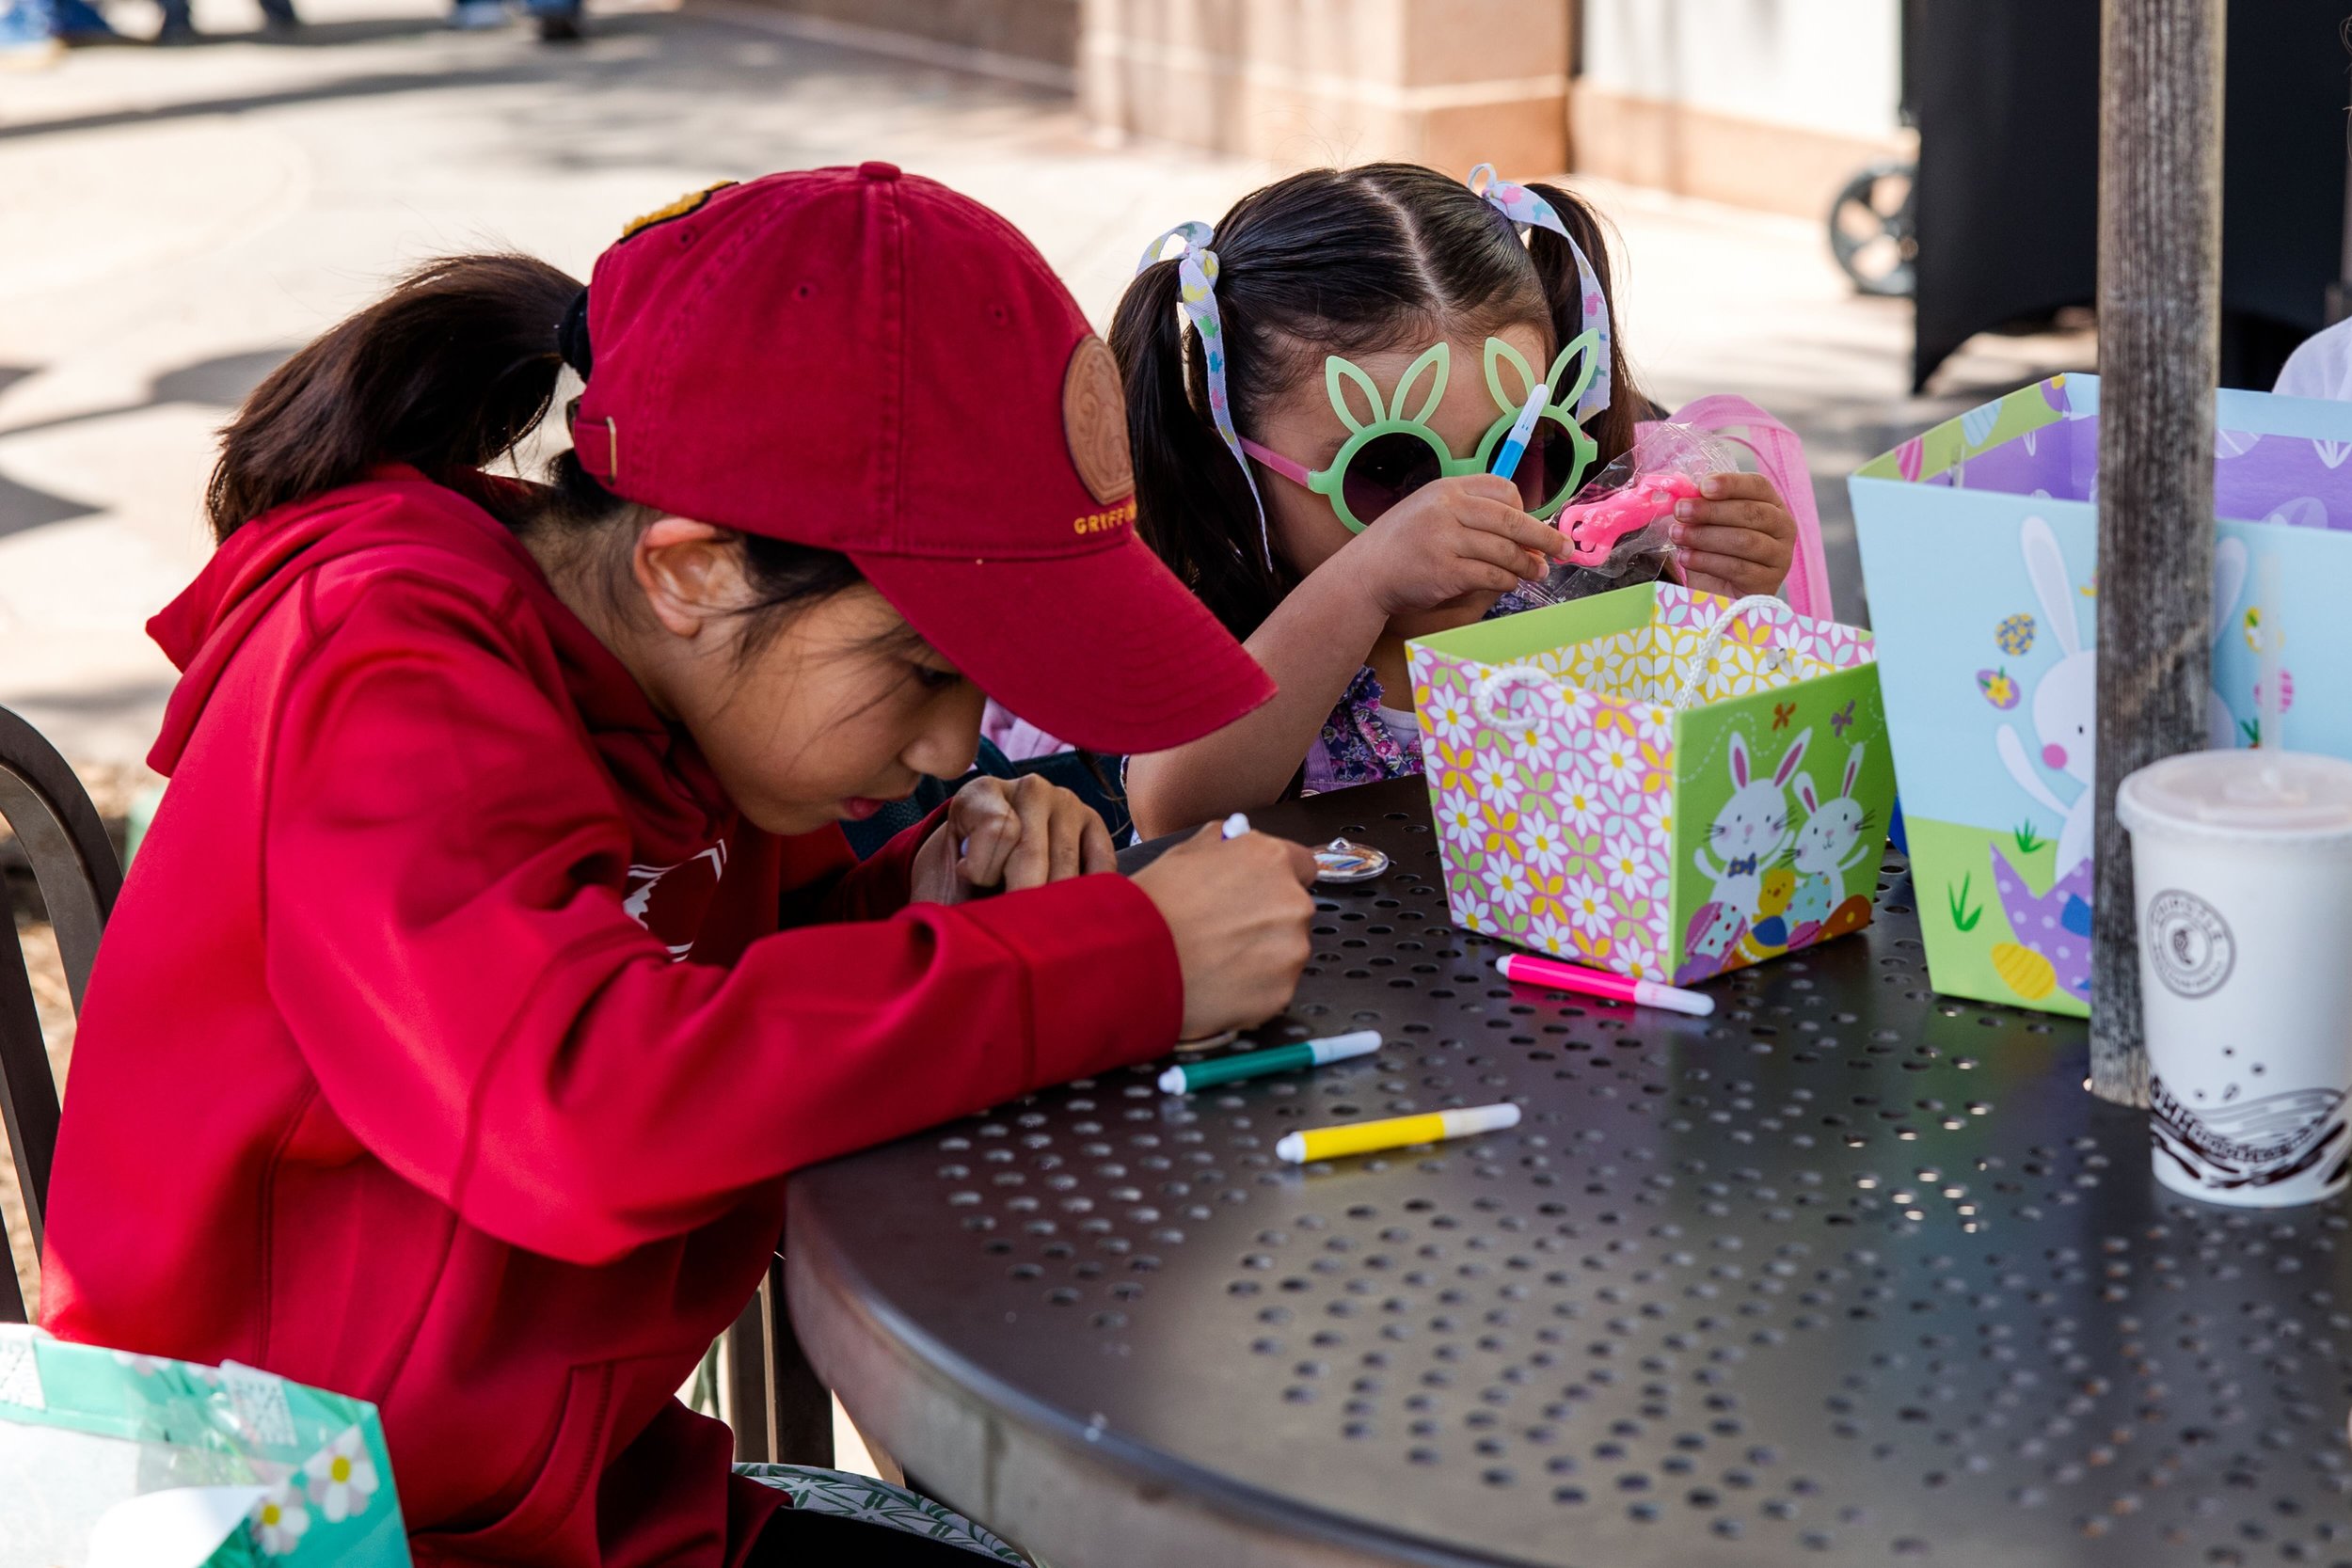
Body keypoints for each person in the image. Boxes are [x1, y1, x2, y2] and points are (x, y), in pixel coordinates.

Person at [40, 166, 1317, 1568]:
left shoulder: (687, 693)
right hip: (299, 1527)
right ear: (693, 569)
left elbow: (732, 958)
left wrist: (933, 896)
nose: (953, 745)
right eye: (920, 669)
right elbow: (576, 1105)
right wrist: (1118, 965)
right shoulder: (380, 664)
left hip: (597, 1503)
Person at [1107, 163, 1800, 836]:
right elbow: (1171, 811)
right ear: (1233, 462)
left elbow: (1723, 797)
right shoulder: (1211, 616)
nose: (1463, 503)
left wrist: (1721, 612)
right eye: (1387, 469)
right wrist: (1363, 582)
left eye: (1520, 452)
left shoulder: (1574, 594)